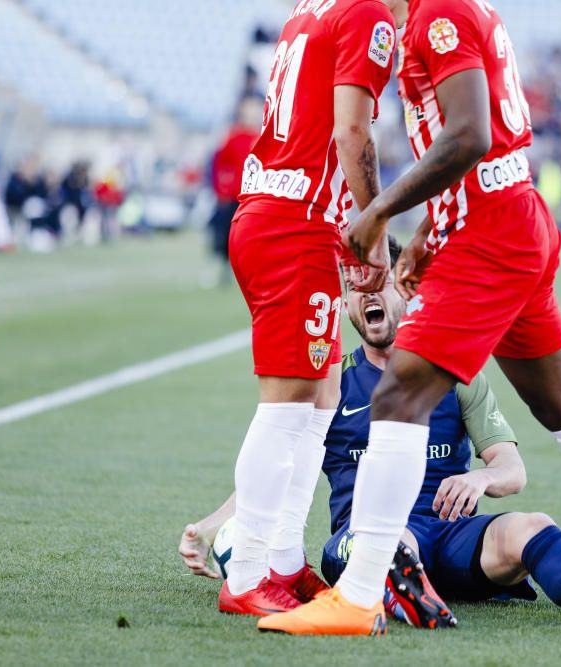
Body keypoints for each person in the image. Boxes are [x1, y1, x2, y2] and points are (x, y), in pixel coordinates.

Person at [261, 0, 561, 636]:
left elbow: (470, 136)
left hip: (491, 233)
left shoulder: (439, 13)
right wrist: (430, 234)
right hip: (508, 215)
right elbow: (485, 151)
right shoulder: (455, 10)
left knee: (398, 395)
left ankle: (358, 595)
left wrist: (381, 209)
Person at [183, 238, 561, 634]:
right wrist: (211, 527)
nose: (366, 294)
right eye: (354, 288)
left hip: (454, 538)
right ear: (343, 306)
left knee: (531, 525)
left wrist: (480, 479)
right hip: (364, 538)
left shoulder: (454, 374)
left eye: (377, 282)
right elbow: (279, 469)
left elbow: (512, 469)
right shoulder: (333, 385)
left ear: (404, 288)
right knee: (392, 541)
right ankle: (399, 585)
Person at [216, 0, 403, 617]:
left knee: (319, 398)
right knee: (288, 407)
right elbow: (352, 132)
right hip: (294, 224)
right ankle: (245, 573)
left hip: (275, 211)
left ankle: (283, 562)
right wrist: (374, 232)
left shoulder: (311, 8)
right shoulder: (368, 13)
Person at [209, 97, 262, 278]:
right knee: (228, 233)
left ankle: (251, 268)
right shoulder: (233, 136)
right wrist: (221, 189)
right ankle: (224, 268)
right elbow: (218, 163)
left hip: (256, 195)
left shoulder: (263, 135)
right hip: (235, 195)